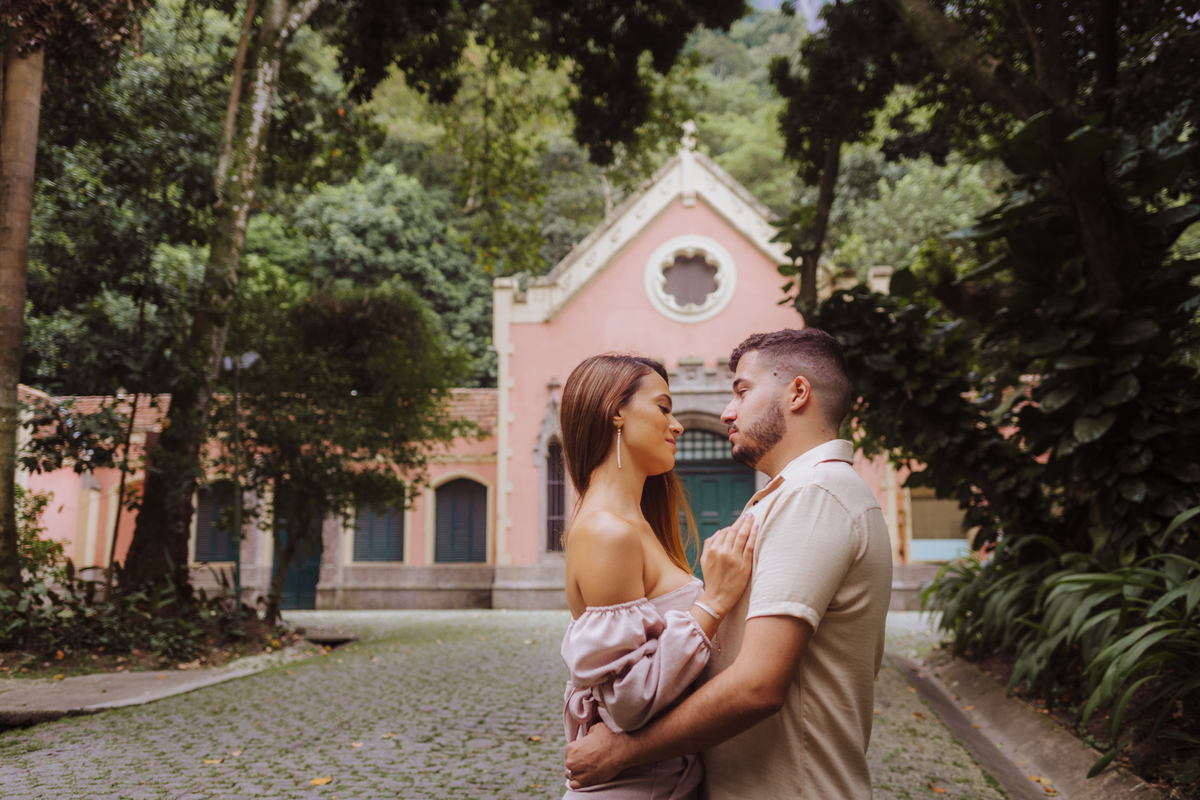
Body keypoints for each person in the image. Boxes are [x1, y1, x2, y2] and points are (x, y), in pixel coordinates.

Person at [565, 329, 893, 800]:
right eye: (664, 407)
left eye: (742, 391)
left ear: (798, 393)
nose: (725, 412)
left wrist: (621, 752)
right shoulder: (790, 497)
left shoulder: (813, 496)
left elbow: (756, 684)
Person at [558, 354, 759, 799]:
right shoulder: (605, 531)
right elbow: (629, 702)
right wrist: (713, 603)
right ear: (616, 413)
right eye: (663, 408)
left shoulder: (634, 523)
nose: (677, 425)